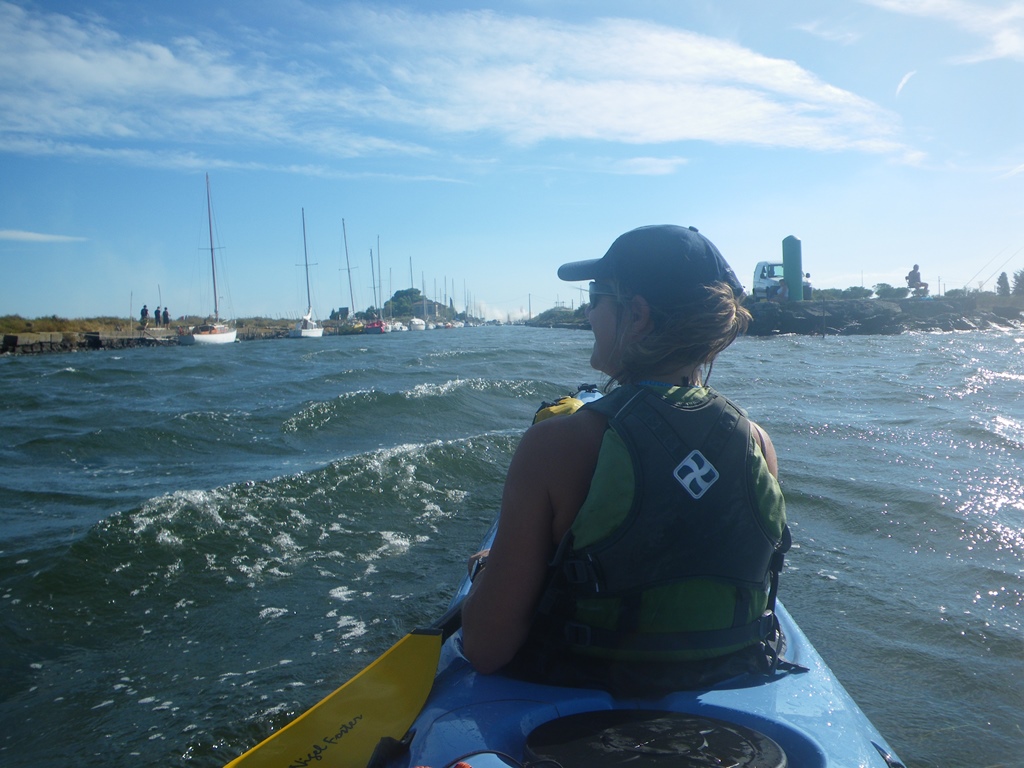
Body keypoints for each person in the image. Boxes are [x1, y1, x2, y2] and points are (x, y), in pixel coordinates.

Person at [462, 225, 790, 696]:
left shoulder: (555, 447)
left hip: (575, 706)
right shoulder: (758, 444)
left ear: (636, 315)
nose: (588, 312)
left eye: (596, 298)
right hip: (725, 696)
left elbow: (485, 648)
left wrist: (491, 570)